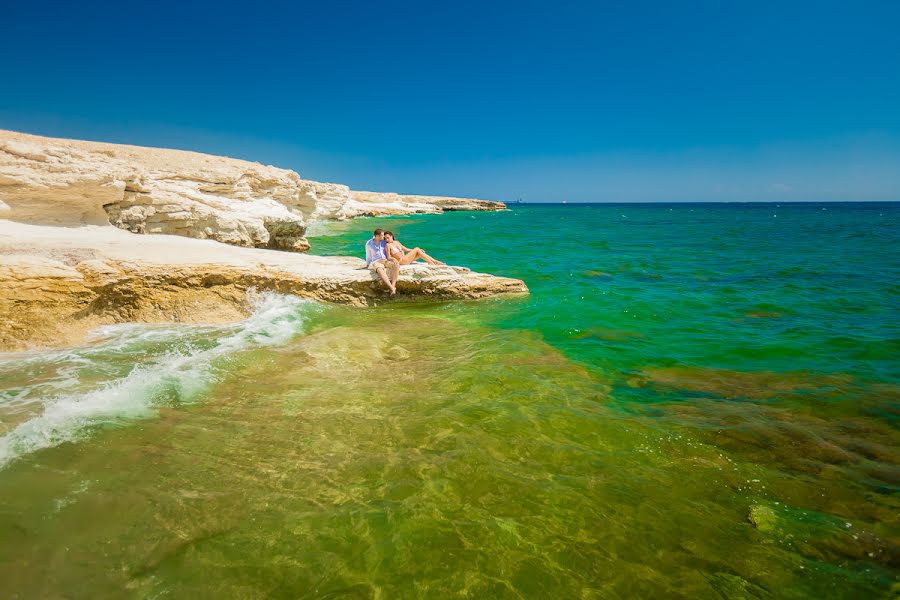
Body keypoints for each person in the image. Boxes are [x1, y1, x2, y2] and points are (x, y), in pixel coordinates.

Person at [365, 228, 399, 295]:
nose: (384, 237)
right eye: (382, 235)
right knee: (380, 270)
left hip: (386, 260)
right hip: (376, 262)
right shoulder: (369, 243)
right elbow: (368, 254)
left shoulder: (384, 241)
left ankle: (393, 286)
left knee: (396, 265)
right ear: (377, 236)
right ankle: (391, 288)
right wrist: (368, 264)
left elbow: (394, 244)